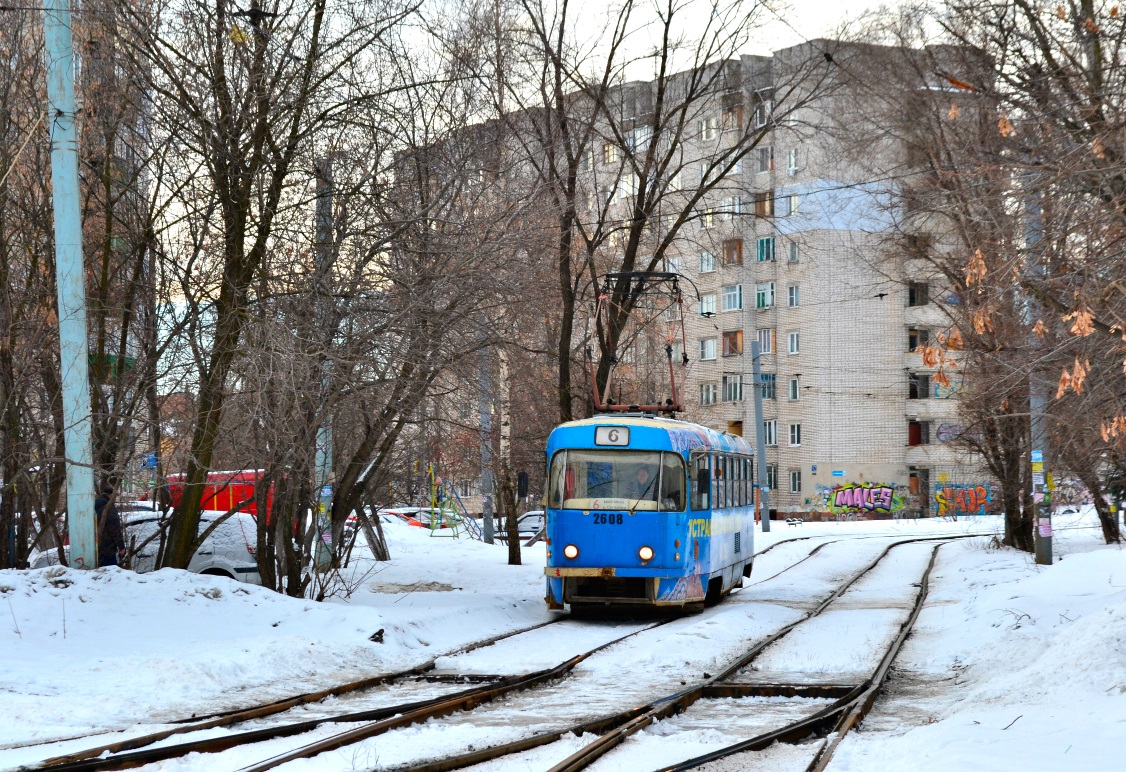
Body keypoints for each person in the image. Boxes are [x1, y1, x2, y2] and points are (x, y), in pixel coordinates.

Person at [95, 484, 126, 568]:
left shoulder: (95, 507)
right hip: (108, 546)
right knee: (111, 572)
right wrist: (121, 546)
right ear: (111, 495)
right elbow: (114, 529)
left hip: (96, 544)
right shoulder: (109, 508)